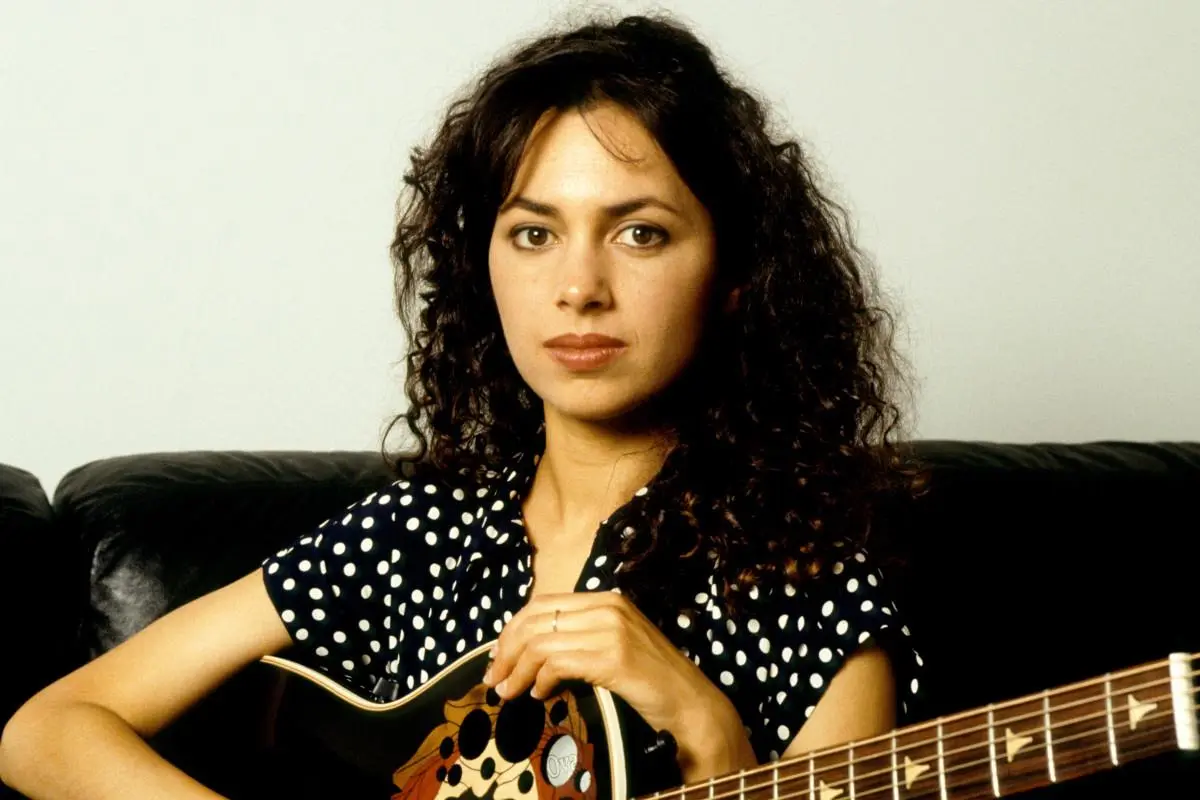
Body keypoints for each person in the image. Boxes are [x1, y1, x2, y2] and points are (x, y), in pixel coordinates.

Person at [0, 11, 926, 798]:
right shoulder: (417, 535)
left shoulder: (813, 582)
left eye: (640, 233)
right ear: (485, 269)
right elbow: (45, 732)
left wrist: (708, 731)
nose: (578, 287)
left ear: (735, 277)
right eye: (533, 233)